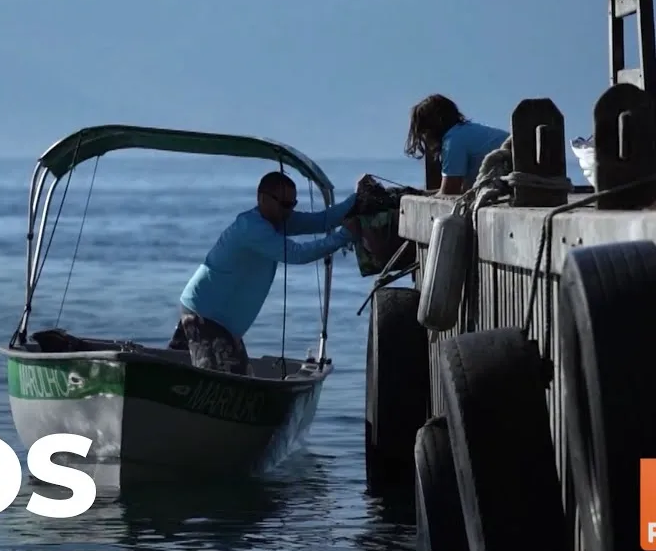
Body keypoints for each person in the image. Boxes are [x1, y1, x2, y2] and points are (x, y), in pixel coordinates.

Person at [168, 171, 369, 375]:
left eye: (292, 204)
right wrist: (344, 236)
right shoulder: (252, 228)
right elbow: (297, 254)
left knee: (231, 378)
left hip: (219, 321)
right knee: (226, 382)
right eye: (283, 204)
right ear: (262, 198)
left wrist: (357, 198)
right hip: (205, 316)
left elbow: (322, 221)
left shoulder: (276, 220)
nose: (288, 211)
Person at [404, 94, 509, 195]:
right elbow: (460, 190)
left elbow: (449, 192)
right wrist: (420, 193)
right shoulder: (466, 131)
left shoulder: (452, 142)